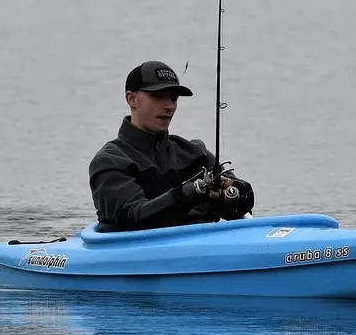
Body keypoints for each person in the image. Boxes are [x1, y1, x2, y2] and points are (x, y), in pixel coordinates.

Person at [89, 60, 255, 232]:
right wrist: (193, 191)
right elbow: (133, 218)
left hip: (202, 247)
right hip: (133, 251)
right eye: (159, 96)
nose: (169, 106)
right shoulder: (109, 161)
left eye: (173, 98)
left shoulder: (196, 153)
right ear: (132, 99)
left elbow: (241, 207)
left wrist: (233, 192)